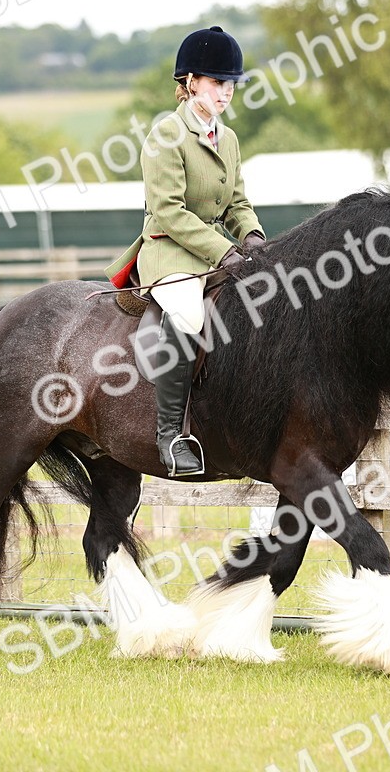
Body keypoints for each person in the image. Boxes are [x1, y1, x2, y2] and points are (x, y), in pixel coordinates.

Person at [105, 25, 267, 477]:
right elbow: (169, 211)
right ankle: (171, 435)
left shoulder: (228, 138)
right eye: (218, 83)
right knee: (189, 317)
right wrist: (223, 252)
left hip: (215, 248)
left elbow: (236, 201)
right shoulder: (166, 135)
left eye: (231, 84)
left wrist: (252, 236)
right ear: (192, 81)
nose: (227, 93)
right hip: (170, 250)